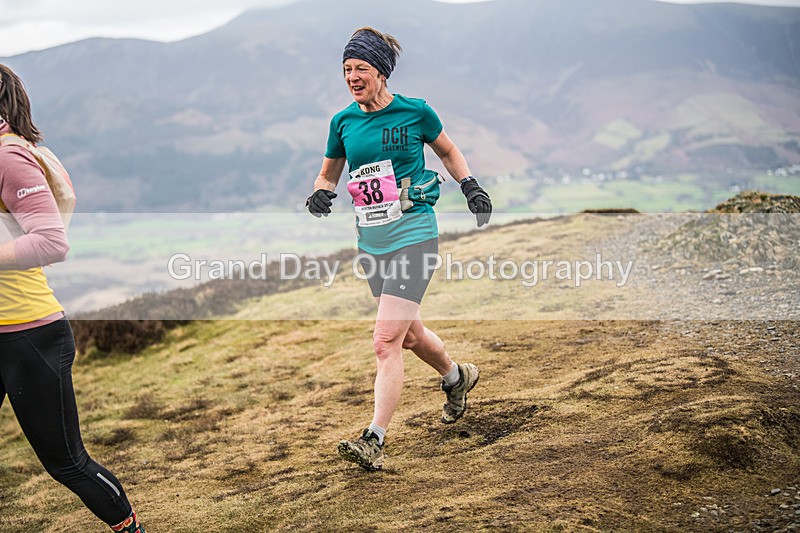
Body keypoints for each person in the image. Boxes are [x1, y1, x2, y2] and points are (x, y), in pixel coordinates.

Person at [306, 27, 493, 470]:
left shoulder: (415, 111)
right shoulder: (342, 123)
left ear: (382, 73)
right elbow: (329, 172)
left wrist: (470, 185)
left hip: (414, 233)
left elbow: (448, 150)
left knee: (385, 341)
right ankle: (456, 376)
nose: (352, 77)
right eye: (346, 69)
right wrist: (320, 192)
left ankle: (374, 438)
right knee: (408, 335)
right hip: (372, 242)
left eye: (361, 69)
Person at [0, 64, 145, 532]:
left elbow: (51, 241)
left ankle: (131, 528)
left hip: (28, 334)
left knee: (66, 462)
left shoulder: (9, 157)